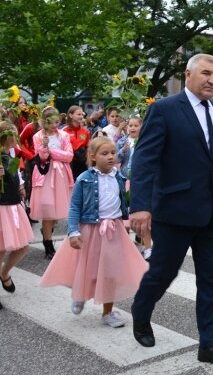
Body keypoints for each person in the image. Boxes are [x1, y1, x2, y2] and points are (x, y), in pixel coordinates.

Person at [129, 54, 213, 370]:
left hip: (211, 216)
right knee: (163, 272)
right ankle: (141, 308)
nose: (212, 80)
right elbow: (144, 161)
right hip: (174, 212)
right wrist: (139, 206)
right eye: (206, 73)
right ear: (188, 74)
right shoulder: (164, 110)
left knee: (211, 280)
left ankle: (210, 345)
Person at [39, 136, 147, 327]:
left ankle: (108, 313)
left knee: (111, 273)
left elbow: (126, 201)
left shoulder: (119, 177)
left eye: (113, 153)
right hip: (90, 229)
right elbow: (75, 207)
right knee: (88, 269)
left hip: (114, 231)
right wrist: (73, 231)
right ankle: (80, 295)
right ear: (93, 156)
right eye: (105, 153)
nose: (110, 157)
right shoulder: (85, 179)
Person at [30, 106, 74, 260]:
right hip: (45, 175)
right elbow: (41, 158)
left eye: (58, 122)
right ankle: (48, 244)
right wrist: (44, 147)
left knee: (57, 211)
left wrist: (52, 152)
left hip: (60, 175)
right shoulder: (38, 136)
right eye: (53, 122)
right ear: (45, 122)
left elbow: (69, 156)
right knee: (48, 210)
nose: (56, 125)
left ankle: (47, 231)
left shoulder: (63, 135)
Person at [0, 122, 33, 298]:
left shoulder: (11, 156)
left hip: (13, 205)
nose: (17, 136)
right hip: (1, 206)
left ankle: (4, 273)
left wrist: (20, 185)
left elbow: (15, 175)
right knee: (0, 249)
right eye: (14, 133)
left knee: (22, 246)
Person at [117, 115, 151, 259]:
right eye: (130, 125)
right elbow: (116, 159)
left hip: (140, 181)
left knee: (142, 214)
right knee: (125, 214)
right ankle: (125, 246)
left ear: (142, 127)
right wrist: (122, 151)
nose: (132, 128)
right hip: (125, 180)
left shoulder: (144, 141)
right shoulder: (122, 142)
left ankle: (147, 246)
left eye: (136, 125)